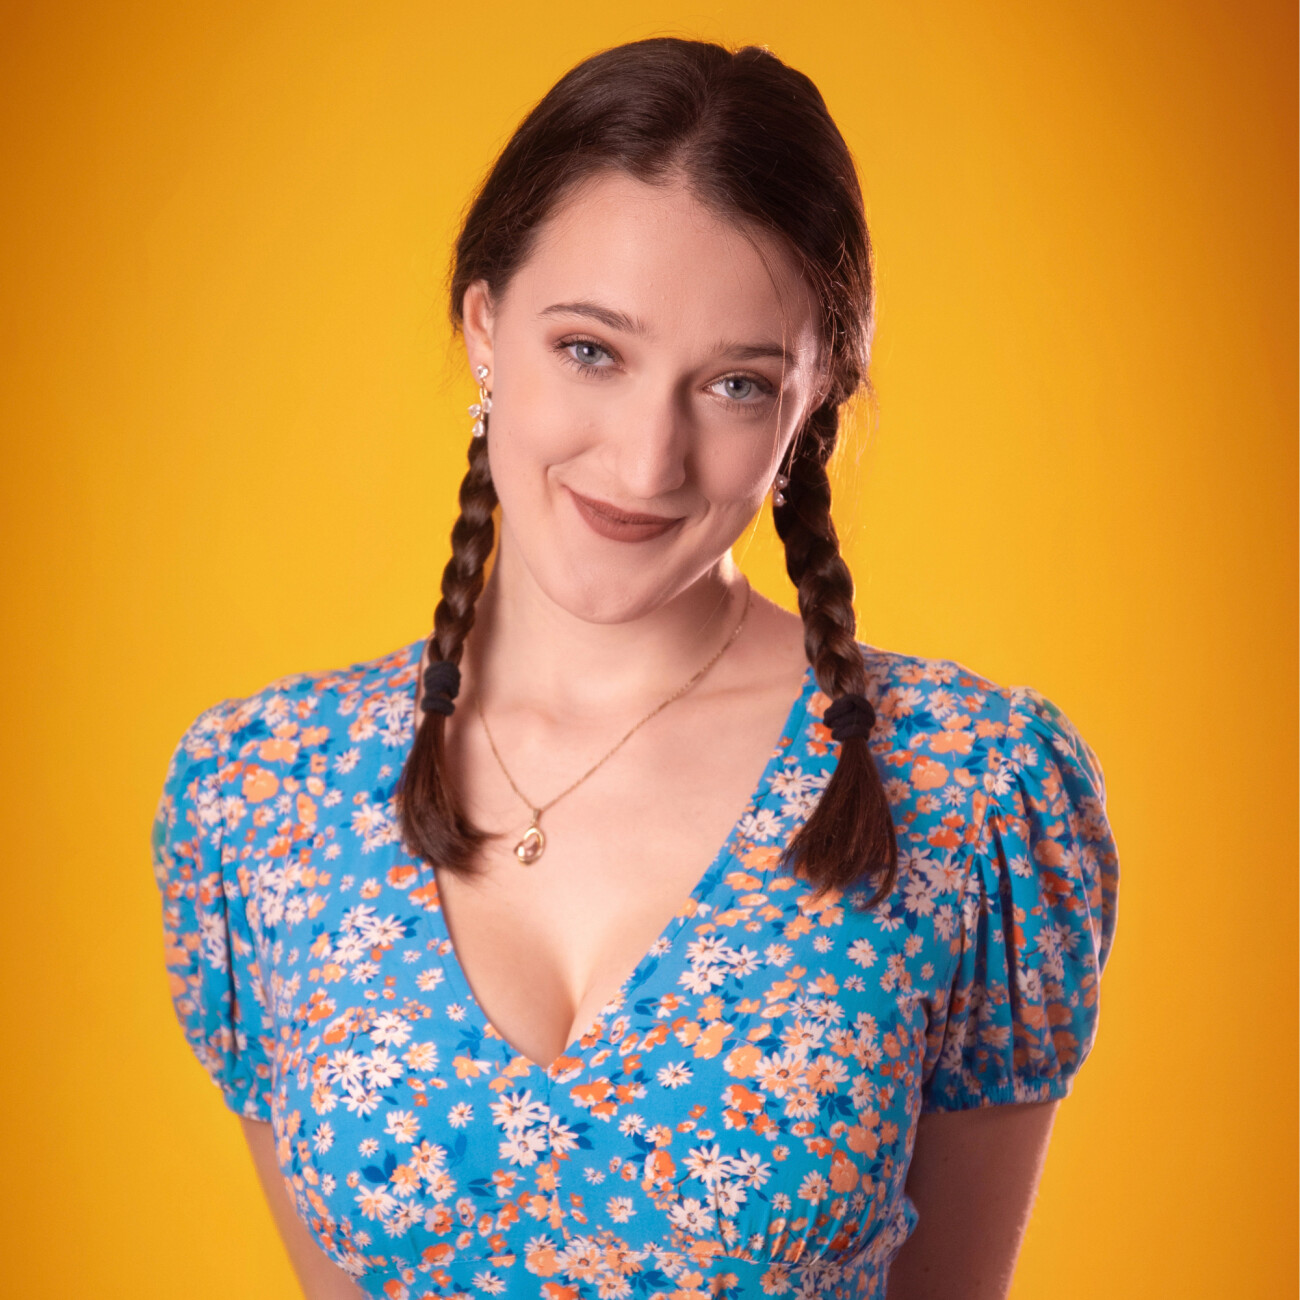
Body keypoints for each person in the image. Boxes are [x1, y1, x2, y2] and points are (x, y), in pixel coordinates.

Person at [151, 36, 1120, 1300]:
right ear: (485, 326)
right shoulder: (259, 794)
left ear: (812, 406)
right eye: (591, 351)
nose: (646, 460)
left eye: (734, 384)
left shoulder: (970, 789)